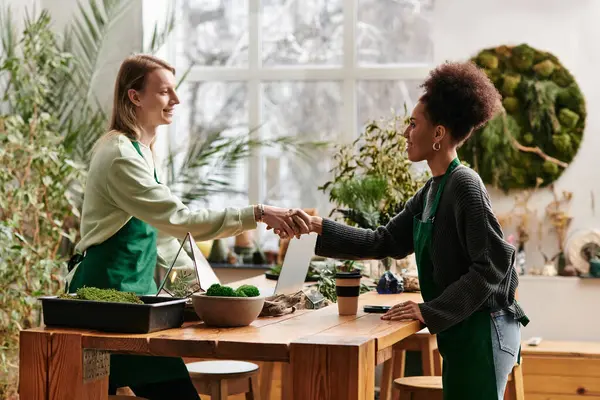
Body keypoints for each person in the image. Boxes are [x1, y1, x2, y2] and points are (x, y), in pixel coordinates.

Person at [65, 54, 311, 400]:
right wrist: (255, 213)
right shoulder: (120, 154)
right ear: (135, 97)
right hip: (107, 301)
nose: (176, 100)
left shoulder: (140, 151)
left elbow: (165, 236)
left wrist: (207, 290)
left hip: (130, 303)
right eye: (165, 92)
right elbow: (179, 220)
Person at [279, 61, 530, 399]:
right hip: (464, 328)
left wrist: (428, 311)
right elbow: (384, 240)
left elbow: (493, 266)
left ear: (438, 133)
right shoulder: (431, 190)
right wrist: (315, 227)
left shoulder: (465, 185)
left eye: (413, 124)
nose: (405, 133)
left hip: (485, 329)